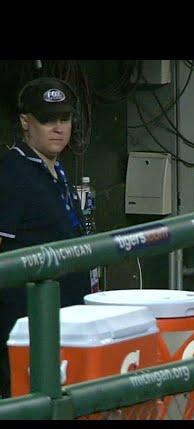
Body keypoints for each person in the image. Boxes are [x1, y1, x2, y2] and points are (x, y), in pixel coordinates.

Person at [0, 77, 90, 398]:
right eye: (48, 120)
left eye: (64, 119)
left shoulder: (55, 168)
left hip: (65, 322)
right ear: (26, 122)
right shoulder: (13, 172)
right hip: (26, 327)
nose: (58, 128)